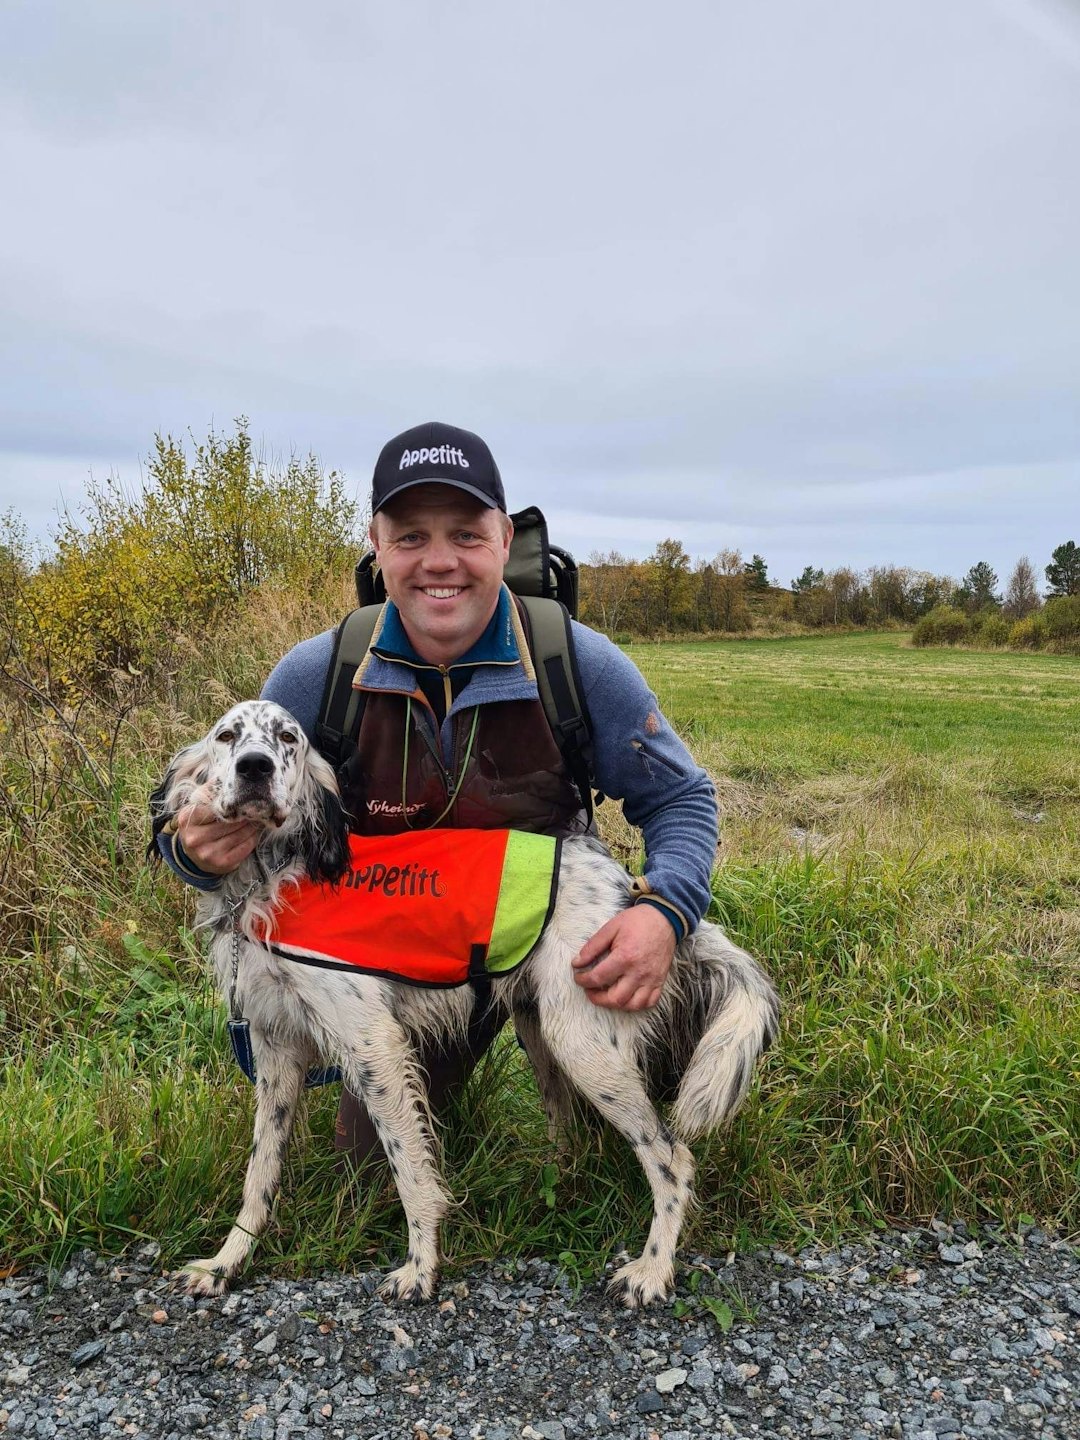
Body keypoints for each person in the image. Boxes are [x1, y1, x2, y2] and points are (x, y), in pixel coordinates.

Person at [160, 421, 719, 1164]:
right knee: (364, 1168)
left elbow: (682, 799)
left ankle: (657, 1087)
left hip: (550, 934)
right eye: (411, 535)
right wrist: (195, 853)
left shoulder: (572, 661)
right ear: (377, 543)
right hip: (408, 964)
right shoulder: (316, 678)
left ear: (503, 536)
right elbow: (230, 816)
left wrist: (664, 913)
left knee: (620, 1112)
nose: (440, 561)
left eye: (465, 532)